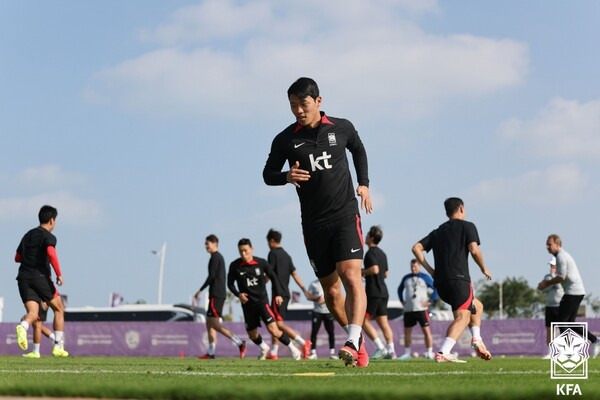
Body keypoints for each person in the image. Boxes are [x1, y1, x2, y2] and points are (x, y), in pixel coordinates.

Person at [263, 77, 372, 367]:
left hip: (345, 216)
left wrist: (364, 184)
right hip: (313, 225)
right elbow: (267, 174)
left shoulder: (342, 127)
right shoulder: (285, 139)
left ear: (318, 102)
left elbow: (358, 149)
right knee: (332, 294)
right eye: (293, 106)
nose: (298, 110)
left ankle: (352, 339)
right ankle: (358, 341)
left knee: (351, 276)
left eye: (304, 104)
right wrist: (285, 177)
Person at [411, 197, 493, 363]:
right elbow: (474, 250)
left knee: (476, 306)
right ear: (461, 209)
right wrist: (483, 268)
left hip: (441, 284)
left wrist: (431, 270)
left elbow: (416, 248)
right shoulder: (467, 226)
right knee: (462, 317)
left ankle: (477, 338)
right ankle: (444, 351)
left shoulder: (438, 231)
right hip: (459, 280)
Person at [227, 238, 302, 360]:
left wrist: (278, 294)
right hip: (247, 305)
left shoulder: (261, 263)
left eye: (245, 250)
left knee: (274, 330)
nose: (243, 254)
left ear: (252, 249)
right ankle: (263, 347)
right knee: (252, 335)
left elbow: (273, 276)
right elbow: (230, 284)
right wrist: (238, 294)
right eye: (240, 251)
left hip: (262, 302)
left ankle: (294, 349)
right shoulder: (235, 266)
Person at [14, 205, 68, 357]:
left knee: (32, 313)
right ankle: (58, 346)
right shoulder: (48, 237)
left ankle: (23, 326)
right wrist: (59, 274)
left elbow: (17, 258)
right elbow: (51, 254)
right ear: (52, 220)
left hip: (23, 278)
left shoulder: (27, 235)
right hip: (40, 277)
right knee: (58, 309)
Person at [537, 234, 598, 347]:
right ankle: (595, 340)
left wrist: (546, 283)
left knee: (561, 322)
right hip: (577, 291)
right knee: (569, 323)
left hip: (573, 291)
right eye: (547, 244)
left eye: (549, 244)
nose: (547, 246)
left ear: (557, 244)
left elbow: (561, 276)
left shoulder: (561, 256)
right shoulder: (561, 255)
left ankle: (568, 350)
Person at [194, 234, 246, 359]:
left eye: (208, 244)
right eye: (205, 244)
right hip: (216, 294)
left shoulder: (216, 257)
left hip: (216, 295)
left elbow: (211, 276)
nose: (206, 246)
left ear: (214, 244)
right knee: (209, 323)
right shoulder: (216, 257)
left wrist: (200, 290)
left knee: (215, 324)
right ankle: (211, 352)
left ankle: (239, 342)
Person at [265, 229, 312, 360]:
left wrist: (260, 283)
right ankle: (274, 352)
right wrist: (304, 290)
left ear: (272, 241)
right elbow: (295, 274)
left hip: (278, 294)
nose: (268, 245)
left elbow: (270, 273)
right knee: (274, 323)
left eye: (268, 242)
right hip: (286, 293)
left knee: (278, 325)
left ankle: (303, 343)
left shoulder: (272, 253)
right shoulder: (287, 255)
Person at [361, 225, 395, 359]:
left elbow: (374, 269)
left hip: (373, 292)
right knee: (383, 322)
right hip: (384, 291)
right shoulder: (383, 253)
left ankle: (380, 348)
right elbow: (385, 273)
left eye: (367, 235)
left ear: (371, 238)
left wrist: (362, 272)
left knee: (363, 320)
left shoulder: (370, 253)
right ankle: (392, 351)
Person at [397, 259, 438, 360]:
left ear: (419, 266)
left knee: (426, 331)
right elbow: (399, 289)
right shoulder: (406, 278)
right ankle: (407, 353)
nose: (413, 268)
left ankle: (429, 352)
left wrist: (431, 300)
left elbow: (436, 289)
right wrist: (402, 300)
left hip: (421, 309)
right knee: (407, 332)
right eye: (412, 266)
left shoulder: (425, 277)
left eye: (415, 266)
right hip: (409, 309)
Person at [539, 256, 564, 359]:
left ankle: (562, 351)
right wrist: (550, 283)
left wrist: (554, 278)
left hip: (560, 306)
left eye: (553, 265)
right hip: (549, 306)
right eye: (551, 265)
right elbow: (543, 289)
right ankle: (550, 352)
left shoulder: (561, 276)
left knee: (562, 330)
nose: (551, 267)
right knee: (549, 330)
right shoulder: (547, 277)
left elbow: (559, 287)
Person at [305, 279, 337, 360]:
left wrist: (326, 298)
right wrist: (316, 299)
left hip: (328, 311)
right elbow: (308, 296)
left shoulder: (330, 281)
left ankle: (332, 353)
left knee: (331, 332)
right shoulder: (313, 284)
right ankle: (313, 352)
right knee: (314, 332)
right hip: (317, 312)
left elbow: (336, 294)